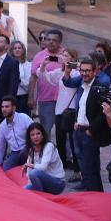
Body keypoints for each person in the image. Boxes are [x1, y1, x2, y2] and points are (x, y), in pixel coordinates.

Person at [63, 57, 111, 191]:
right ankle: (89, 192)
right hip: (79, 130)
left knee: (90, 167)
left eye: (88, 71)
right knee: (84, 165)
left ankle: (95, 196)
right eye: (82, 71)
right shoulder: (82, 86)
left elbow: (104, 113)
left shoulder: (100, 87)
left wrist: (91, 130)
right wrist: (76, 122)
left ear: (95, 72)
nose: (84, 73)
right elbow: (82, 108)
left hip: (90, 133)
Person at [39, 48, 81, 177]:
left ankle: (77, 170)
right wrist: (43, 66)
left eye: (66, 55)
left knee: (73, 142)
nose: (63, 57)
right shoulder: (59, 72)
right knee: (60, 140)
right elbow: (48, 78)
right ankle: (61, 166)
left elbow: (75, 83)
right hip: (59, 110)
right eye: (62, 54)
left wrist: (75, 67)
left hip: (72, 110)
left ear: (72, 58)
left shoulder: (77, 73)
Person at [30, 29, 65, 135]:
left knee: (64, 133)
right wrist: (31, 97)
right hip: (46, 100)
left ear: (59, 42)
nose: (50, 42)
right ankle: (46, 152)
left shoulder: (66, 55)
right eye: (48, 39)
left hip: (64, 100)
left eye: (54, 40)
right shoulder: (39, 56)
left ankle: (63, 152)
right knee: (45, 132)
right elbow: (33, 77)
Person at [22, 122, 67, 194]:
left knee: (34, 173)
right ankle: (40, 195)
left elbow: (43, 167)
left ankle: (42, 199)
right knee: (23, 191)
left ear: (43, 135)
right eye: (32, 135)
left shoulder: (49, 146)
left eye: (38, 133)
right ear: (29, 138)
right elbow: (29, 174)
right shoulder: (31, 150)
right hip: (43, 182)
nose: (35, 137)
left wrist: (29, 165)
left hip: (57, 183)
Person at [0, 95, 33, 170]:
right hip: (14, 153)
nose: (4, 109)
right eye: (2, 107)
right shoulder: (2, 126)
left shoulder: (24, 118)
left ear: (14, 107)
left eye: (7, 107)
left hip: (28, 149)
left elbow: (35, 132)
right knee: (5, 169)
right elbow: (0, 146)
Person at [9, 41, 31, 114]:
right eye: (15, 48)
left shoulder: (28, 65)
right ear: (11, 50)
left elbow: (28, 83)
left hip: (23, 97)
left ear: (23, 50)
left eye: (19, 48)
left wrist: (18, 80)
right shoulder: (7, 64)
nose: (17, 50)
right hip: (10, 97)